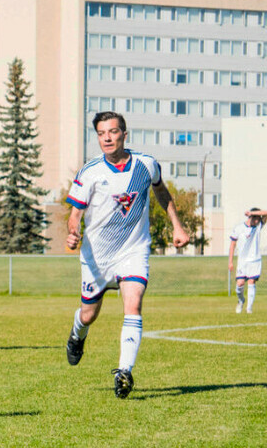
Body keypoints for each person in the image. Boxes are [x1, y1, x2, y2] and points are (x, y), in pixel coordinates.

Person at [64, 111, 189, 399]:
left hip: (133, 250)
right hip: (97, 256)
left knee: (133, 304)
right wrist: (73, 231)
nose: (107, 137)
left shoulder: (146, 164)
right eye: (101, 133)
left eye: (113, 131)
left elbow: (162, 192)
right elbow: (75, 214)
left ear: (124, 133)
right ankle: (77, 334)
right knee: (88, 314)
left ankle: (124, 372)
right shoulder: (90, 171)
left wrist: (177, 226)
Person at [229, 208, 266, 314]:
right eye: (257, 218)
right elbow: (232, 245)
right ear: (251, 218)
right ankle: (241, 301)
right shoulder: (239, 228)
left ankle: (249, 308)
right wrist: (230, 261)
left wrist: (253, 213)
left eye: (259, 218)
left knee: (251, 282)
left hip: (255, 260)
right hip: (242, 262)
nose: (259, 221)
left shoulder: (258, 226)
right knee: (240, 284)